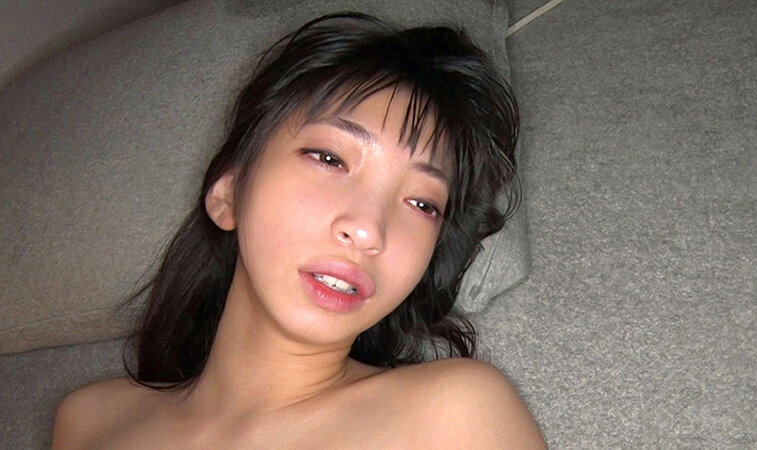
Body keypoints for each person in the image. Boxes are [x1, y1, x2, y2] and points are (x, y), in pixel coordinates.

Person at [52, 12, 546, 448]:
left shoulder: (455, 414)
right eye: (330, 159)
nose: (367, 230)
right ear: (229, 194)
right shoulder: (88, 420)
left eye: (422, 203)